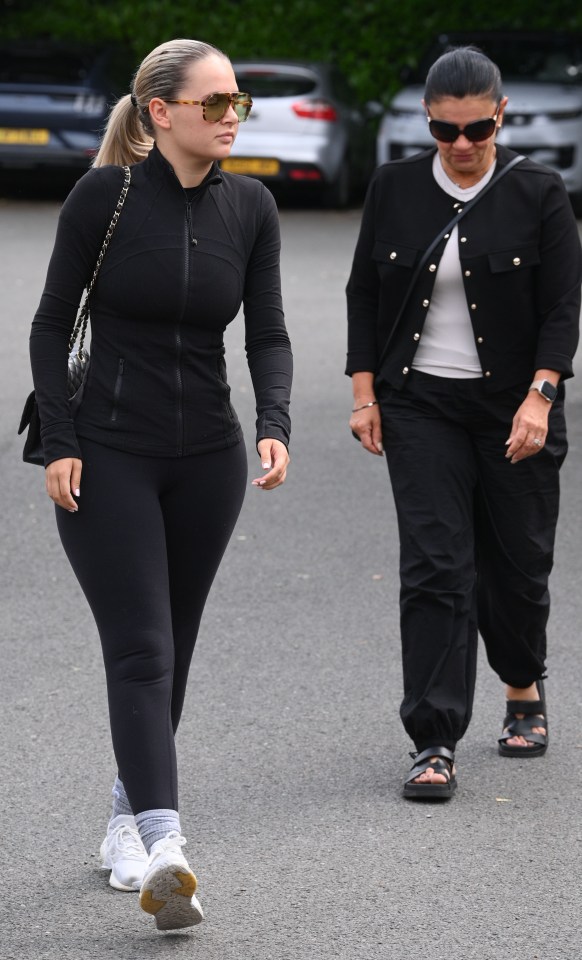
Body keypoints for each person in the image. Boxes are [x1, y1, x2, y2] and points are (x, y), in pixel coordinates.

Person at [29, 38, 292, 928]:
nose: (229, 115)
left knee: (170, 648)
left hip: (207, 460)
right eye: (213, 101)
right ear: (158, 113)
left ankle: (123, 827)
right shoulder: (102, 199)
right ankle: (168, 846)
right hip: (107, 453)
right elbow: (48, 325)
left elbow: (269, 334)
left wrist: (274, 425)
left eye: (237, 102)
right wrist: (60, 439)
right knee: (140, 648)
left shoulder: (251, 206)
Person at [346, 46, 581, 799]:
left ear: (500, 115)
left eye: (478, 127)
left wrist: (541, 396)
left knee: (516, 569)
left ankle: (521, 686)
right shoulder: (395, 188)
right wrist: (364, 393)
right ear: (429, 122)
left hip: (514, 405)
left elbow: (561, 310)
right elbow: (363, 295)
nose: (463, 145)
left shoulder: (540, 192)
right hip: (419, 405)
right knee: (437, 564)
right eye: (447, 131)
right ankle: (434, 739)